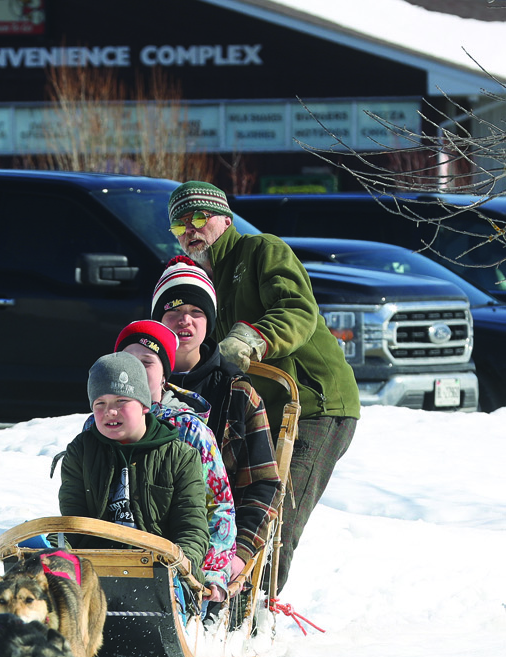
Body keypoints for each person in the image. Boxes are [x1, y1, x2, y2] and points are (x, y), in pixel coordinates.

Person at [166, 180, 359, 592]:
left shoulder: (260, 251)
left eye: (200, 217)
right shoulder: (199, 285)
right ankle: (220, 597)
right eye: (180, 224)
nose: (191, 229)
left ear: (225, 219)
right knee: (235, 509)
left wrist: (253, 338)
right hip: (256, 413)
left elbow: (298, 308)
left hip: (313, 404)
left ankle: (255, 617)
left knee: (278, 514)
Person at [150, 258, 283, 586]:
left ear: (209, 320)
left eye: (196, 312)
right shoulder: (136, 385)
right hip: (147, 536)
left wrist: (239, 551)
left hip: (214, 542)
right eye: (174, 312)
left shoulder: (236, 391)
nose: (186, 322)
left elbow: (263, 482)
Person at [58, 353, 210, 591]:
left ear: (144, 405)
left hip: (161, 571)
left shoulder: (180, 457)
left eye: (121, 401)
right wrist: (52, 554)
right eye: (101, 404)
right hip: (96, 570)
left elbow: (191, 528)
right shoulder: (81, 452)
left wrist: (180, 567)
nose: (110, 412)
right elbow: (74, 523)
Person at [110, 320, 236, 601]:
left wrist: (213, 572)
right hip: (109, 559)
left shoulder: (190, 431)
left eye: (146, 363)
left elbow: (217, 506)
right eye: (127, 362)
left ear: (164, 376)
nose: (134, 372)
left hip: (173, 568)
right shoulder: (99, 425)